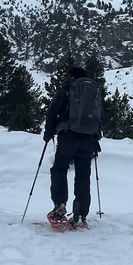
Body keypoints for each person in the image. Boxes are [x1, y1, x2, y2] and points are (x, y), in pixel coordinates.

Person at [44, 66, 104, 228]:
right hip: (89, 138)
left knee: (59, 169)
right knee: (83, 175)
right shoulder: (93, 91)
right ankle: (80, 214)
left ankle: (60, 205)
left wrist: (48, 132)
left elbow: (53, 111)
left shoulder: (67, 89)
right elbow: (101, 117)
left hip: (68, 135)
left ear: (71, 76)